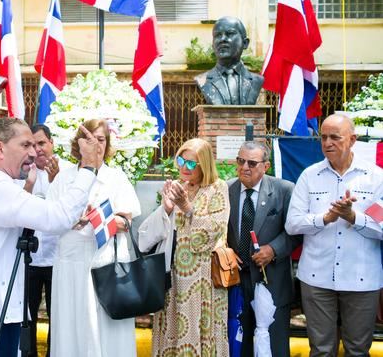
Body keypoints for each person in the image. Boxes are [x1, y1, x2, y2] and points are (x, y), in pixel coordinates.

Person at [0, 118, 101, 356]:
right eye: (25, 145)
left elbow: (37, 223)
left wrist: (71, 221)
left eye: (34, 145)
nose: (33, 153)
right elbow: (57, 217)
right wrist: (89, 168)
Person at [286, 114, 383, 357]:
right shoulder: (310, 176)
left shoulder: (375, 178)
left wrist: (353, 217)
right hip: (316, 278)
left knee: (358, 351)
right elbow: (292, 224)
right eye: (323, 137)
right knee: (320, 350)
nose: (327, 143)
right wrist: (325, 218)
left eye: (335, 137)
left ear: (352, 140)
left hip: (362, 278)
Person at [48, 119, 141, 357]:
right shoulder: (63, 179)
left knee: (107, 327)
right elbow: (50, 217)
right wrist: (73, 219)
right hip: (71, 262)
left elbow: (126, 221)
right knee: (72, 322)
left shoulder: (116, 178)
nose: (96, 145)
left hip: (106, 262)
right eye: (90, 139)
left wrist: (98, 219)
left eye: (101, 139)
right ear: (78, 143)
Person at [138, 138, 230, 356]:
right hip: (173, 276)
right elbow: (154, 233)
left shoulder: (217, 188)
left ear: (204, 165)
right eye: (181, 160)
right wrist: (167, 208)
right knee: (172, 329)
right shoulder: (180, 188)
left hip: (202, 280)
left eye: (191, 164)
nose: (183, 167)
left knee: (199, 334)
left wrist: (188, 208)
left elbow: (215, 230)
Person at [227, 141, 299, 357]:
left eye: (252, 162)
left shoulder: (284, 190)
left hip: (272, 281)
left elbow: (296, 232)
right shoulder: (226, 189)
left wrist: (273, 250)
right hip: (235, 282)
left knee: (273, 346)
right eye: (240, 161)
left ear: (266, 166)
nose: (244, 167)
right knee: (239, 345)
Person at [23, 124, 73, 357]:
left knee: (59, 316)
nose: (37, 149)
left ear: (51, 142)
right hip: (30, 259)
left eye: (41, 143)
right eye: (32, 144)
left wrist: (56, 181)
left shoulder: (70, 171)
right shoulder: (21, 171)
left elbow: (71, 210)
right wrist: (29, 183)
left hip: (59, 257)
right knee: (28, 315)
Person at [195, 16, 263, 105]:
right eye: (217, 35)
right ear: (213, 45)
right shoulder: (203, 80)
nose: (222, 39)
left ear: (245, 43)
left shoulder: (256, 80)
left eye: (230, 34)